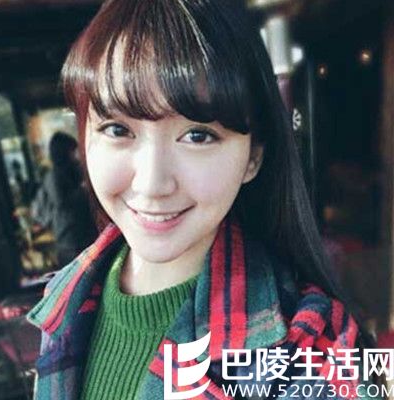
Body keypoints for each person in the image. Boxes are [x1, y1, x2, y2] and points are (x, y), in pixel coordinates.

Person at [27, 1, 381, 399]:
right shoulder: (64, 299)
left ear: (253, 158)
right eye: (117, 129)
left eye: (198, 135)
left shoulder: (312, 349)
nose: (153, 184)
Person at [31, 131, 97, 267]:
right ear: (64, 152)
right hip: (70, 240)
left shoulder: (75, 170)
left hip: (83, 234)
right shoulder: (54, 176)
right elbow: (62, 204)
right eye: (73, 151)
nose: (76, 154)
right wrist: (83, 189)